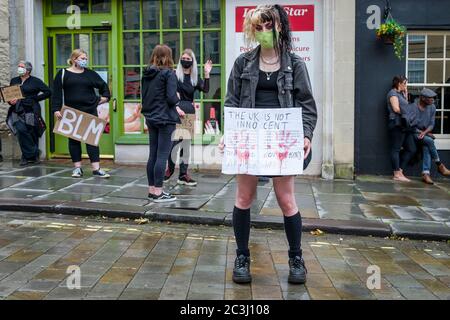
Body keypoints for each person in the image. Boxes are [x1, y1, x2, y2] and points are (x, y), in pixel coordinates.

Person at [220, 5, 317, 284]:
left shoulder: (295, 64)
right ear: (252, 30)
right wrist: (230, 133)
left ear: (280, 27)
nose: (264, 32)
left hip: (282, 140)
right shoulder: (243, 63)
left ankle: (296, 258)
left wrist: (306, 134)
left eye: (269, 26)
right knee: (243, 198)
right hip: (250, 139)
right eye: (258, 28)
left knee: (287, 200)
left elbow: (307, 105)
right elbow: (232, 102)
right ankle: (242, 256)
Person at [51, 49, 110, 178]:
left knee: (92, 141)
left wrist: (102, 99)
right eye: (82, 58)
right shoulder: (62, 74)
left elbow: (104, 87)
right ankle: (77, 168)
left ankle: (96, 168)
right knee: (74, 141)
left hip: (89, 110)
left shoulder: (90, 74)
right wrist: (56, 109)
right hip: (71, 112)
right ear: (74, 59)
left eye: (85, 58)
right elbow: (56, 93)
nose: (84, 61)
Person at [164, 49, 212, 186]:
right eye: (183, 58)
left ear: (192, 62)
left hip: (189, 112)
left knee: (186, 145)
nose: (185, 60)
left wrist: (207, 73)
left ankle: (183, 175)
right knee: (174, 143)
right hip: (176, 110)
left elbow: (206, 89)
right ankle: (170, 170)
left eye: (188, 59)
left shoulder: (194, 77)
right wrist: (176, 106)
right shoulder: (174, 75)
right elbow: (169, 94)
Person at [141, 44, 183, 202]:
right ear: (168, 57)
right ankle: (158, 192)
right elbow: (171, 98)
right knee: (162, 156)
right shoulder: (168, 73)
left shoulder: (146, 74)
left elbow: (146, 96)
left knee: (153, 154)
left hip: (151, 117)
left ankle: (152, 190)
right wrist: (178, 98)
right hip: (165, 119)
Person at [6, 61, 51, 166]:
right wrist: (10, 101)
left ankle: (32, 157)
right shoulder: (14, 80)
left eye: (21, 67)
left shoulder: (35, 81)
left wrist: (34, 99)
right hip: (16, 110)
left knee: (31, 131)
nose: (19, 68)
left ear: (28, 70)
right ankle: (32, 152)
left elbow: (48, 92)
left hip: (31, 109)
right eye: (19, 66)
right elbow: (9, 94)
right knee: (21, 130)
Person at [409, 88, 450, 184]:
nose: (433, 100)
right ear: (423, 98)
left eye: (433, 98)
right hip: (413, 133)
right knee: (430, 141)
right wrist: (422, 132)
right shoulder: (413, 107)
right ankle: (440, 165)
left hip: (425, 135)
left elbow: (432, 124)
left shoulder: (432, 107)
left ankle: (426, 173)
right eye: (430, 98)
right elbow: (411, 126)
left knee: (427, 146)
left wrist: (425, 132)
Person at [386, 75, 416, 182]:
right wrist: (407, 113)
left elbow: (406, 105)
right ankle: (396, 174)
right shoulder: (393, 94)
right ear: (399, 83)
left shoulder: (401, 94)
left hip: (404, 125)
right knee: (396, 149)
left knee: (411, 148)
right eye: (405, 83)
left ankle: (400, 171)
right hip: (396, 124)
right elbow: (396, 108)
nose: (406, 85)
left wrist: (405, 93)